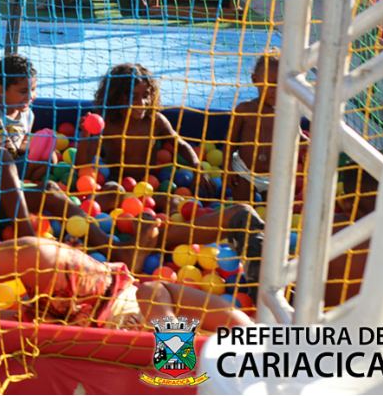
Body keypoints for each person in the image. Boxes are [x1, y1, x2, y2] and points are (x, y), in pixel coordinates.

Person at [75, 63, 266, 281]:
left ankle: (172, 241)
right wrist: (85, 134)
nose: (142, 103)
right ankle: (107, 236)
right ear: (116, 98)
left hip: (153, 185)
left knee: (176, 203)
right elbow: (83, 163)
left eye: (146, 95)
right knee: (108, 194)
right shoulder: (107, 121)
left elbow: (180, 144)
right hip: (118, 183)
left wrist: (196, 167)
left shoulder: (154, 119)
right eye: (132, 97)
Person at [0, 55, 158, 268]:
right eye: (23, 92)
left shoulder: (27, 115)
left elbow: (17, 147)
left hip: (5, 187)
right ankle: (31, 241)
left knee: (51, 186)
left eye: (33, 90)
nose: (31, 97)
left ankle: (98, 246)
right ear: (1, 90)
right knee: (44, 187)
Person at [0, 235, 251, 332]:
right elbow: (152, 289)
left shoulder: (214, 380)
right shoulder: (235, 324)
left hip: (76, 334)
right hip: (104, 297)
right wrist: (172, 345)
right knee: (34, 254)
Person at [224, 51, 308, 203]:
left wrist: (308, 146)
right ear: (255, 80)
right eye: (271, 84)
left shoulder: (288, 112)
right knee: (242, 211)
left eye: (282, 85)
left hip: (274, 176)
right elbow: (230, 141)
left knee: (274, 216)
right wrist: (227, 167)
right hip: (244, 172)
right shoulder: (245, 109)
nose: (277, 91)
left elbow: (298, 135)